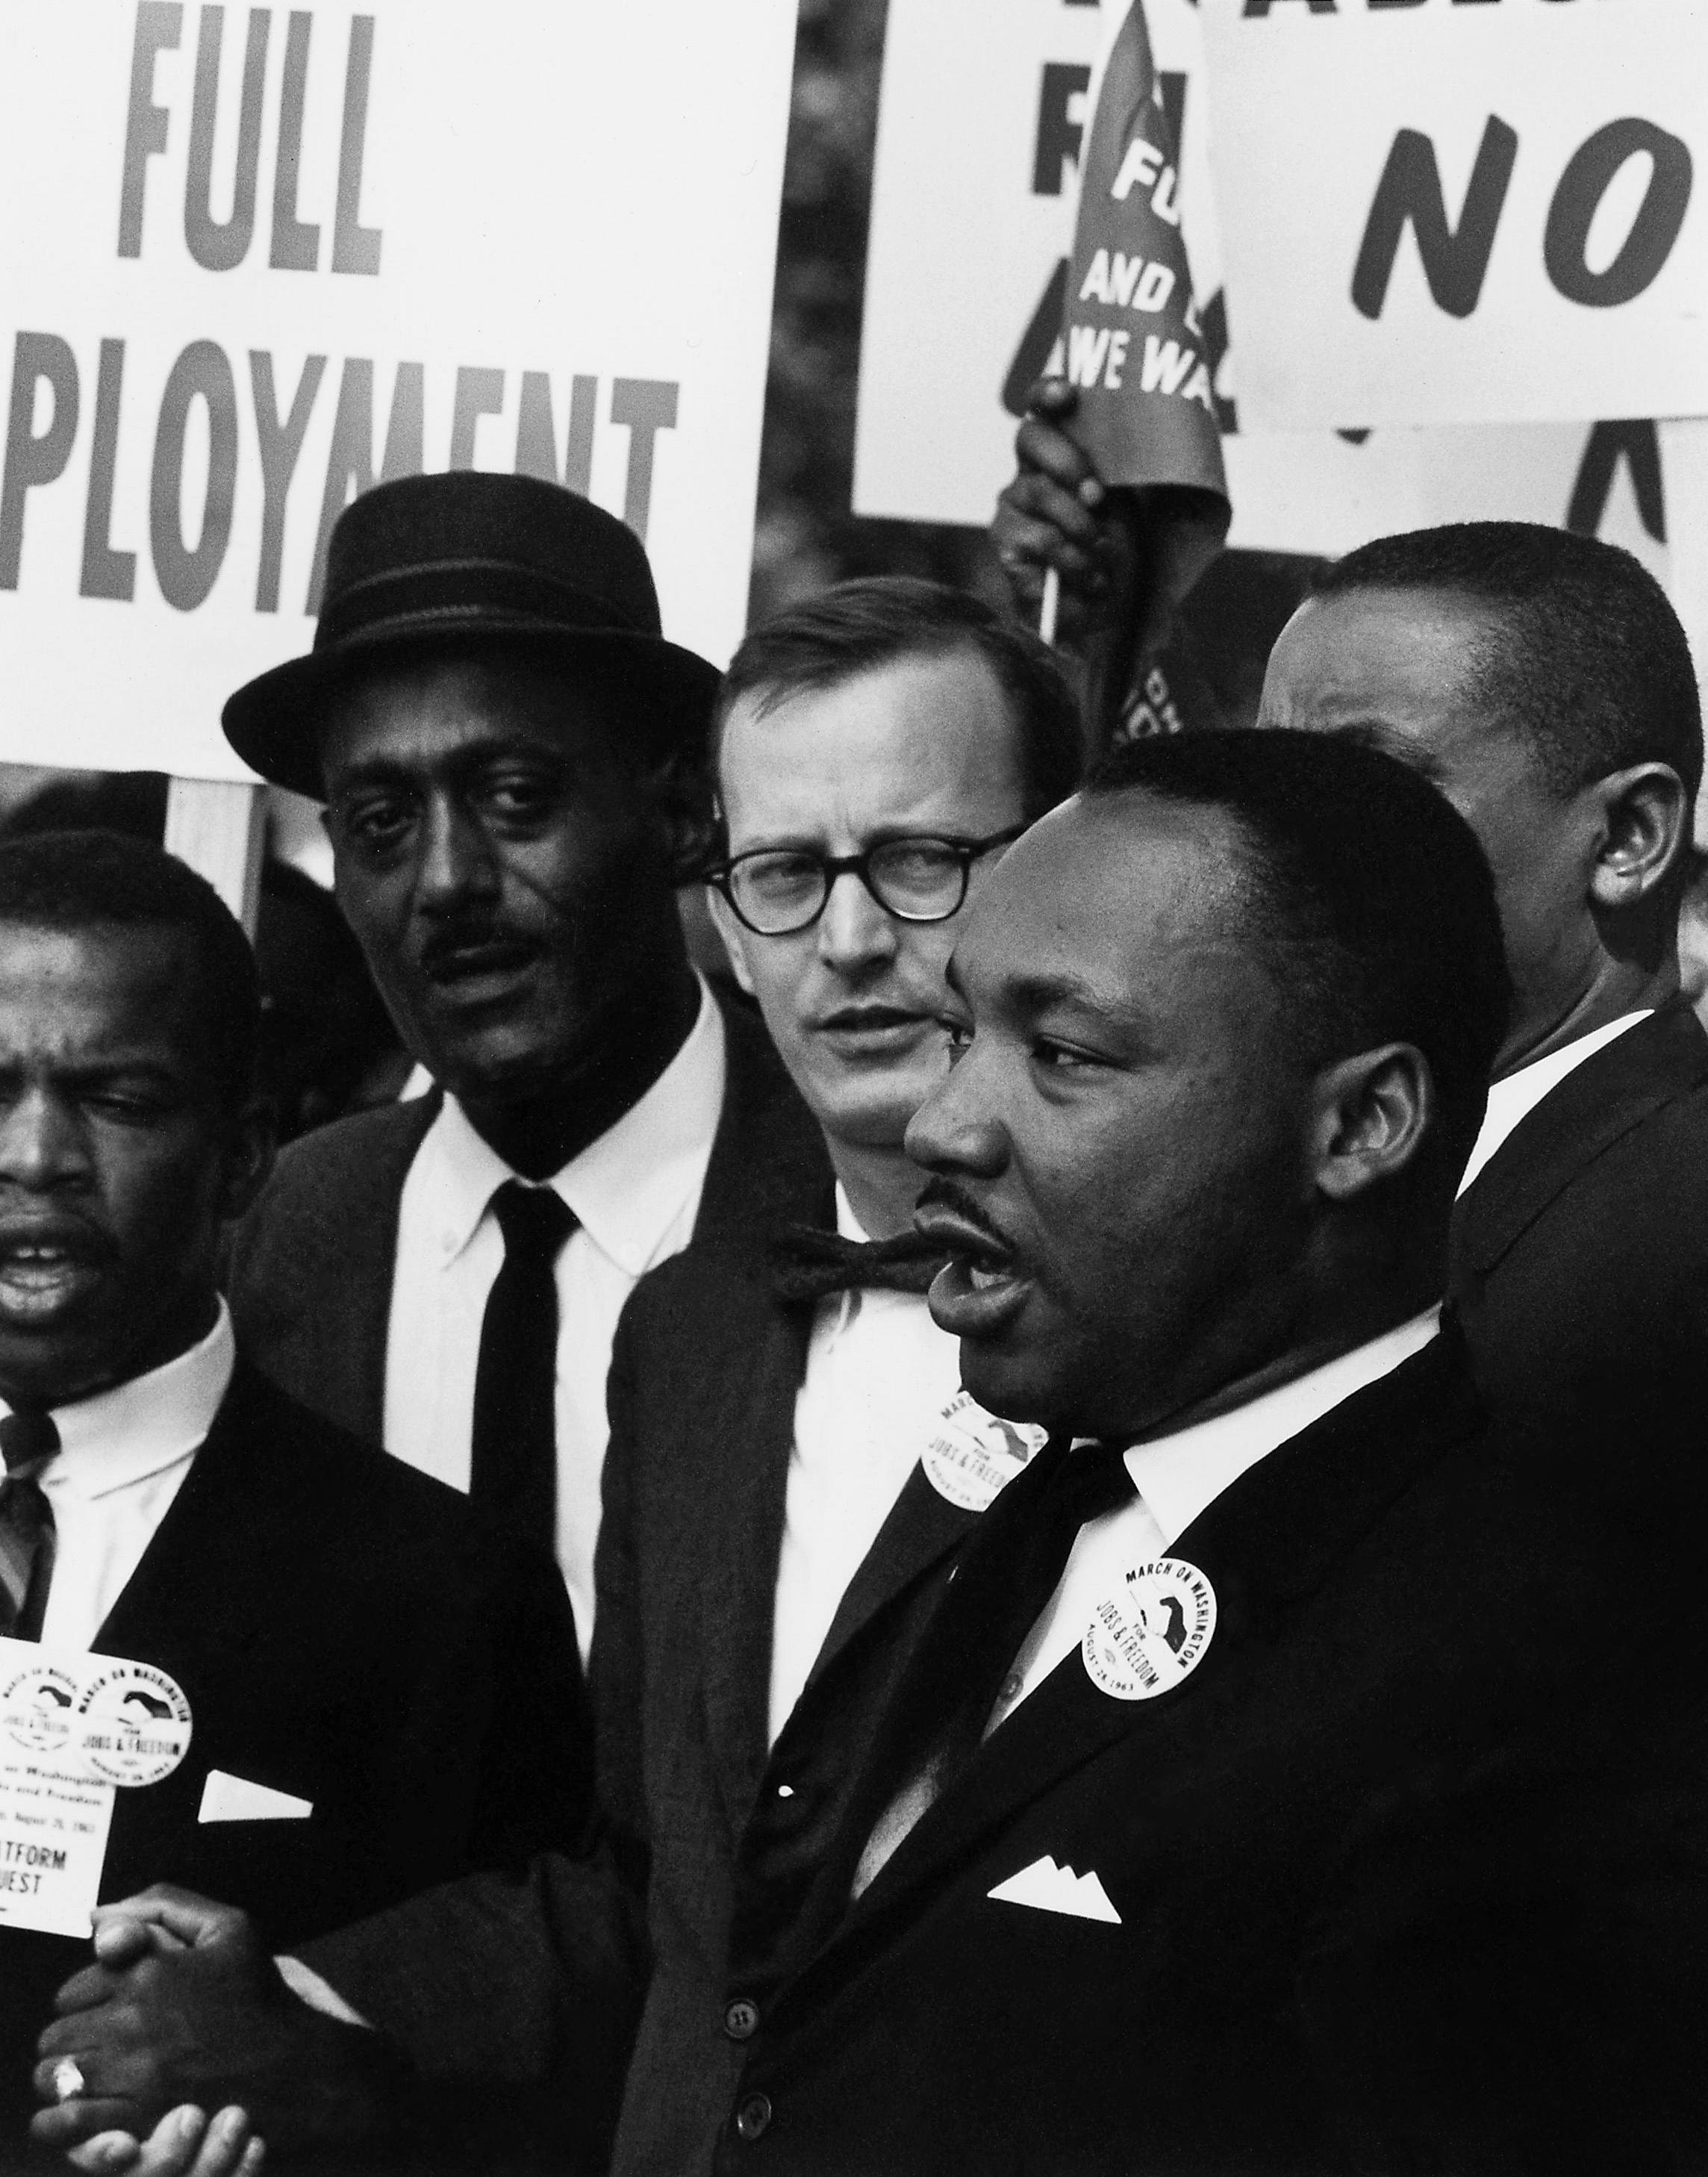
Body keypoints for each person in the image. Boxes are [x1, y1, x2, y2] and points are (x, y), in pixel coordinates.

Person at [34, 579, 1084, 2177]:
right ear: (733, 898)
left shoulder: (1127, 1290)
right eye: (793, 875)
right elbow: (654, 1865)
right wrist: (289, 2011)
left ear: (664, 828)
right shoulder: (319, 1230)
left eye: (924, 861)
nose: (854, 937)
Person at [704, 731, 1708, 2170]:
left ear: (1363, 1122)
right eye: (962, 1034)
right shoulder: (1026, 1488)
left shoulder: (1541, 1673)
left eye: (1061, 1054)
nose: (944, 1123)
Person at [0, 832, 598, 2170]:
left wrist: (327, 2085)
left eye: (116, 1098)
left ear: (242, 1158)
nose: (36, 1155)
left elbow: (536, 2098)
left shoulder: (441, 1597)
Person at [219, 469, 815, 1650]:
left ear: (687, 816)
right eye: (382, 822)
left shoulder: (847, 1201)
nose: (447, 881)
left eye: (514, 794)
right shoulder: (289, 1235)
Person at [997, 447, 1708, 1429]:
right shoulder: (1245, 1158)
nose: (1284, 843)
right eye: (1274, 776)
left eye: (1373, 785)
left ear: (1629, 838)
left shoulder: (1676, 1252)